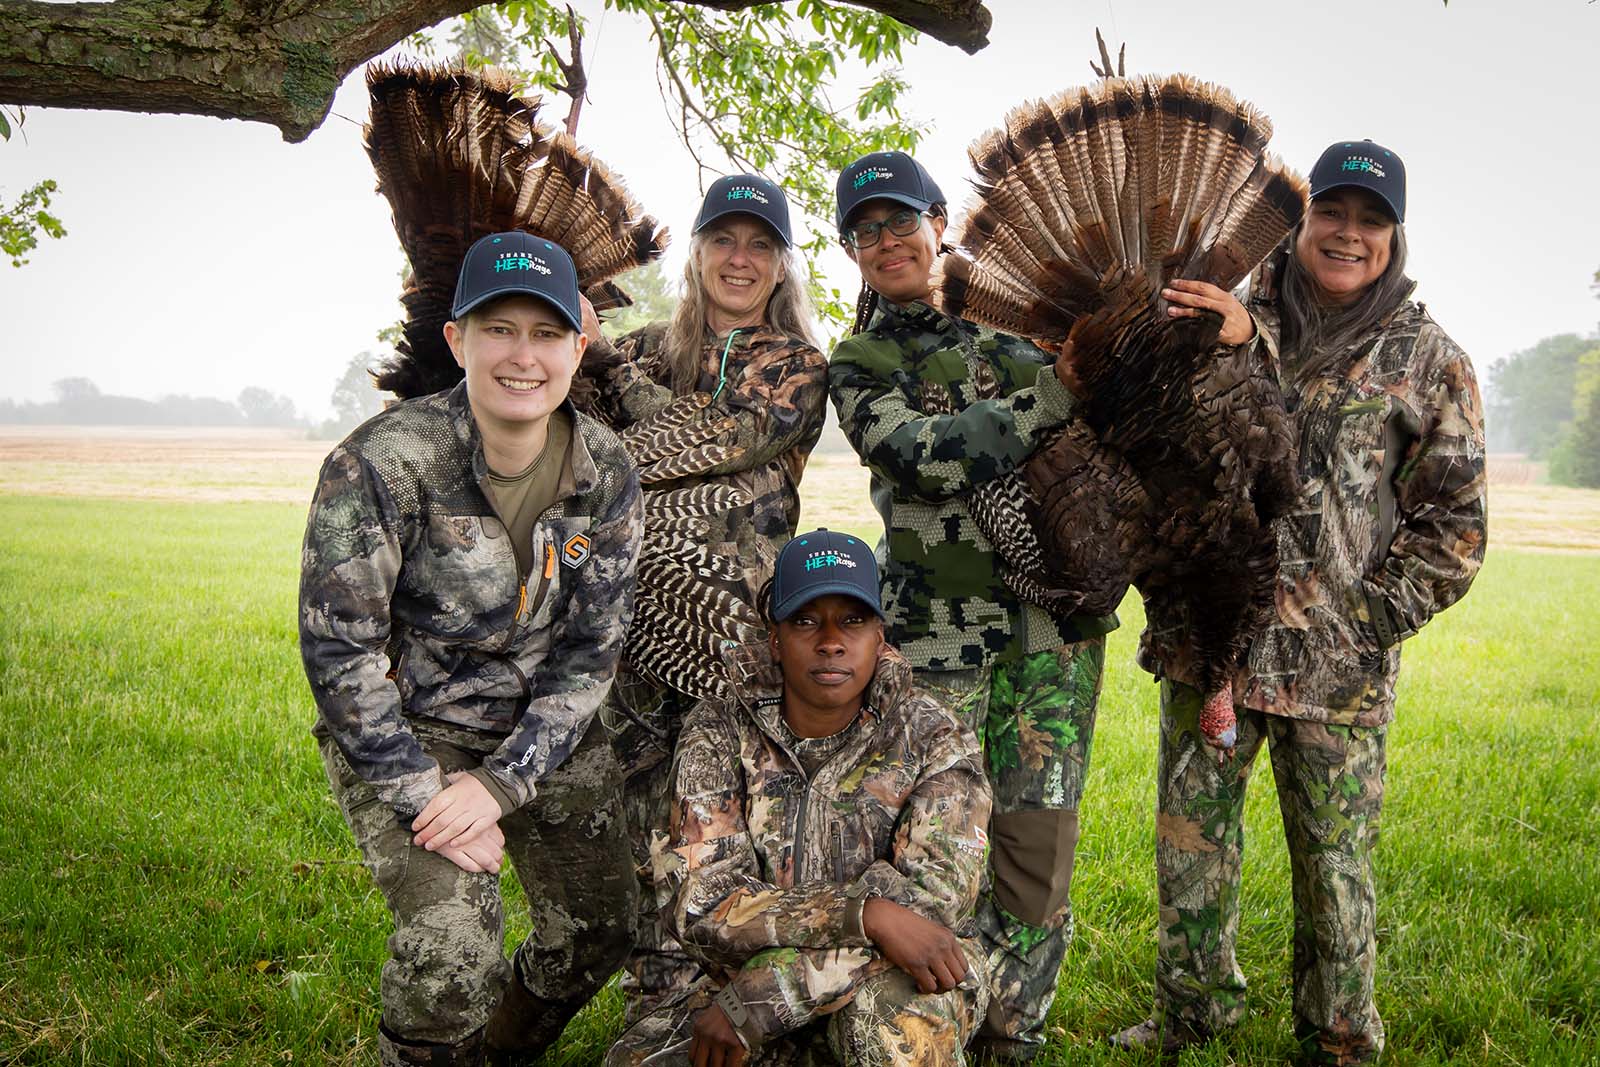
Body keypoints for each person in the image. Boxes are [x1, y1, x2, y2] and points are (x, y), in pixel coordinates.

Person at [1113, 140, 1487, 1062]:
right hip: (1210, 644)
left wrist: (1362, 624)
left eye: (1371, 220)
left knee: (1334, 864)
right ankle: (1194, 1015)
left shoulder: (1430, 360)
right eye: (1335, 214)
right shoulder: (1222, 311)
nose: (1349, 235)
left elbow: (1457, 530)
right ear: (1306, 217)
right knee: (1191, 843)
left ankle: (1339, 1037)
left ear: (1395, 236)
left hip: (1339, 670)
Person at [299, 232, 643, 1067]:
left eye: (547, 332)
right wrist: (428, 795)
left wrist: (502, 783)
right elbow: (338, 654)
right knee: (454, 951)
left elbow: (590, 655)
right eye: (499, 328)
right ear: (457, 340)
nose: (523, 356)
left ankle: (494, 1053)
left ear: (579, 344)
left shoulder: (607, 471)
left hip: (539, 731)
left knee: (600, 929)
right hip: (411, 731)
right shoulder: (382, 463)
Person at [826, 150, 1119, 1061]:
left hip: (1051, 644)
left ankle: (1012, 1036)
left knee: (1035, 853)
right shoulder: (859, 361)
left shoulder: (1021, 327)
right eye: (865, 230)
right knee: (932, 857)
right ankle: (928, 1032)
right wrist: (1055, 392)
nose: (886, 242)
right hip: (934, 642)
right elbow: (930, 456)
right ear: (851, 250)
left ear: (939, 224)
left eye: (901, 221)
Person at [606, 529, 993, 1067]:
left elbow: (928, 914)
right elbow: (706, 903)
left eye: (852, 620)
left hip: (892, 980)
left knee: (888, 1027)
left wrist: (764, 1000)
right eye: (806, 621)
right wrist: (868, 914)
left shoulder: (934, 736)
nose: (831, 640)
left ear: (881, 636)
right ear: (774, 639)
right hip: (737, 979)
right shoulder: (718, 730)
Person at [585, 174, 830, 1019]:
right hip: (637, 617)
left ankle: (727, 994)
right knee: (637, 805)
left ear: (780, 265)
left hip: (737, 632)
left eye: (759, 244)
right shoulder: (648, 344)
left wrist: (605, 366)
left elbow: (713, 440)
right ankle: (653, 997)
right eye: (724, 240)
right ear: (696, 253)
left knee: (724, 817)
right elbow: (582, 452)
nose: (739, 257)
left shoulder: (796, 366)